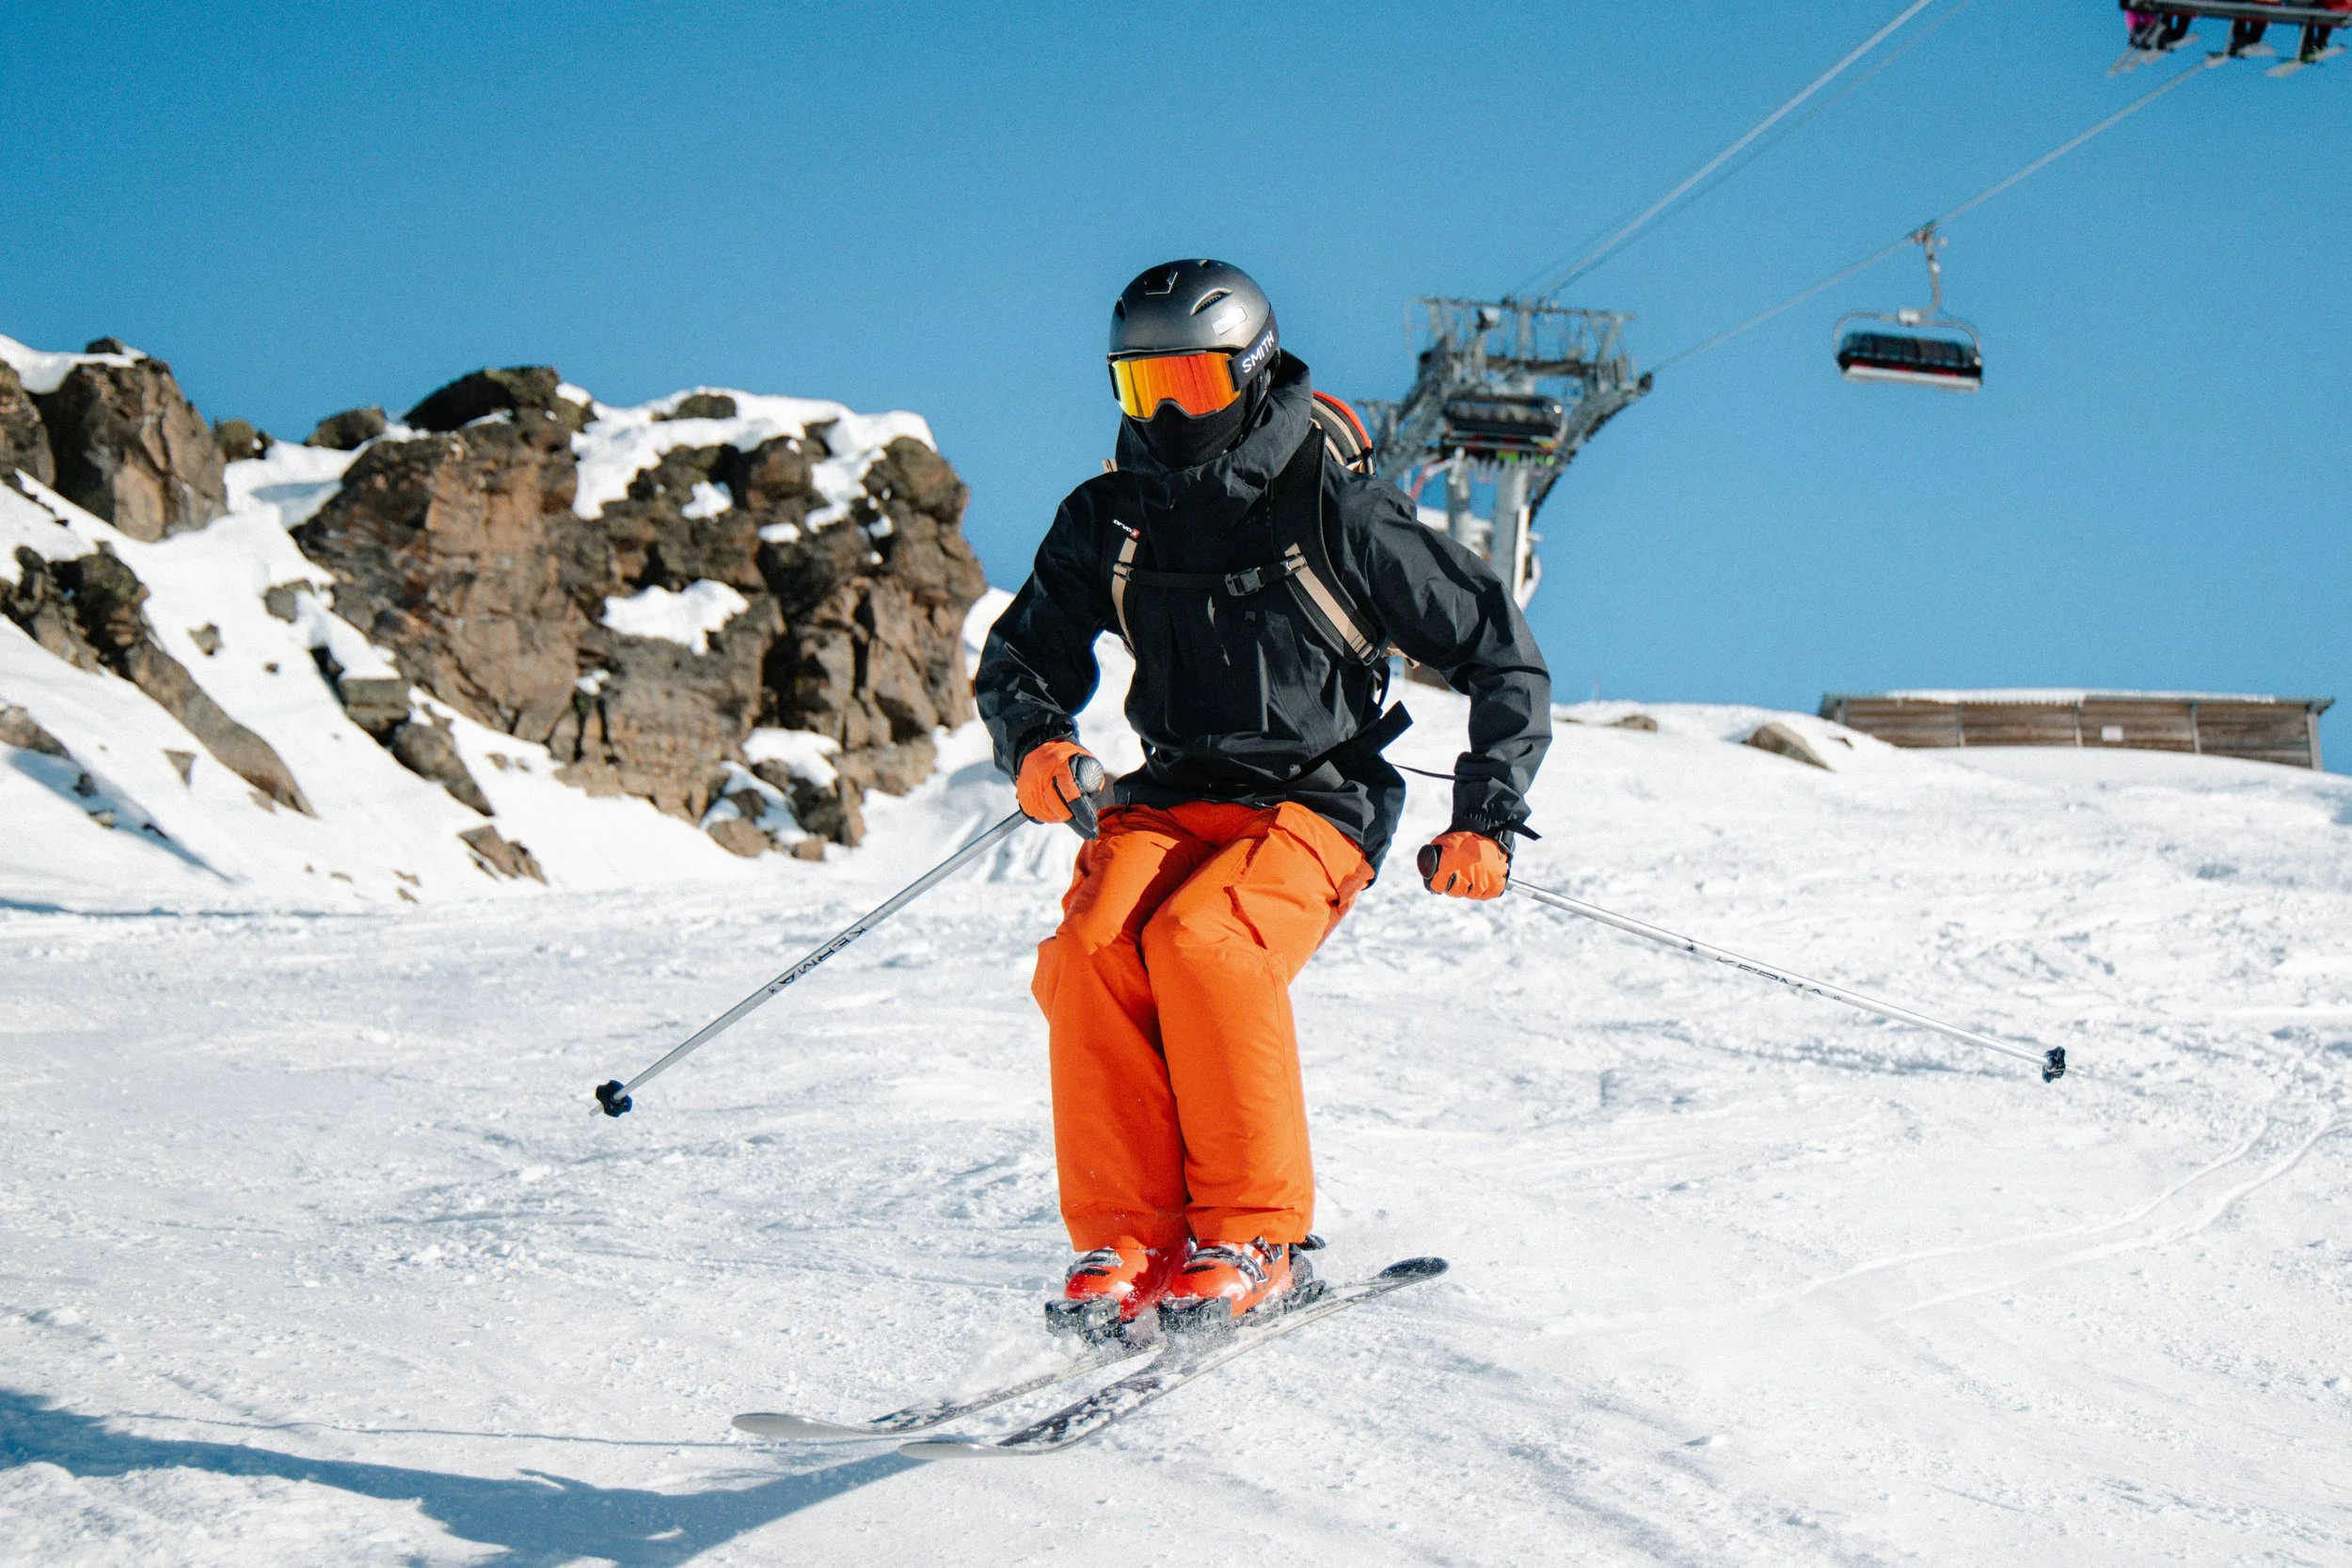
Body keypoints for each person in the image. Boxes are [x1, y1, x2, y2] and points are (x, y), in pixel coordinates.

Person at [975, 260, 1549, 1338]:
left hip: (1314, 799)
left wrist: (1485, 813)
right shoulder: (1111, 516)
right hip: (1172, 793)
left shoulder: (1333, 507)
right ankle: (1129, 1237)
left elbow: (1498, 654)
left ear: (1250, 371)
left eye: (1191, 383)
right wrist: (1038, 743)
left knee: (1205, 945)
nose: (1170, 414)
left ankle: (1253, 1234)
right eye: (1144, 391)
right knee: (1090, 953)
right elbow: (1023, 659)